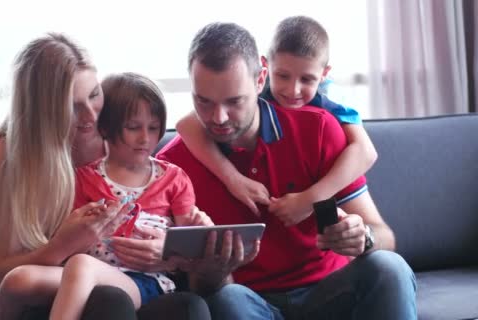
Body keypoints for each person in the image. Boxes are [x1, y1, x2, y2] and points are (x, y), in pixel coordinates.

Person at [157, 22, 417, 320]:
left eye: (234, 101)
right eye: (203, 101)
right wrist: (212, 274)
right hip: (247, 300)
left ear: (260, 81)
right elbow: (191, 290)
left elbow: (385, 236)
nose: (219, 117)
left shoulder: (318, 129)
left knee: (389, 268)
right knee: (226, 298)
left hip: (330, 291)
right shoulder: (172, 166)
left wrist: (364, 239)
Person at [0, 33, 210, 320]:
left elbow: (183, 125)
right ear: (41, 111)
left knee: (117, 300)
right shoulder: (4, 157)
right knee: (27, 282)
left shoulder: (113, 131)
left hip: (131, 278)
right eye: (73, 106)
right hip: (58, 276)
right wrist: (63, 245)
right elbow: (3, 274)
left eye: (94, 94)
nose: (90, 116)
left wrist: (167, 249)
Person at [176, 16, 378, 225]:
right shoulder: (255, 87)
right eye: (282, 76)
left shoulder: (328, 108)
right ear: (266, 69)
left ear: (324, 74)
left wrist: (309, 200)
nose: (293, 90)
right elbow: (185, 124)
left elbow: (366, 152)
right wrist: (233, 178)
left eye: (307, 79)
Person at [49, 72, 212, 320]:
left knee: (191, 306)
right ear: (105, 128)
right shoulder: (83, 179)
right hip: (99, 284)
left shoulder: (174, 179)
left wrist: (200, 231)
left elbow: (189, 246)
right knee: (97, 285)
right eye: (133, 127)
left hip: (149, 282)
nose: (145, 138)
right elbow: (72, 242)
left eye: (154, 128)